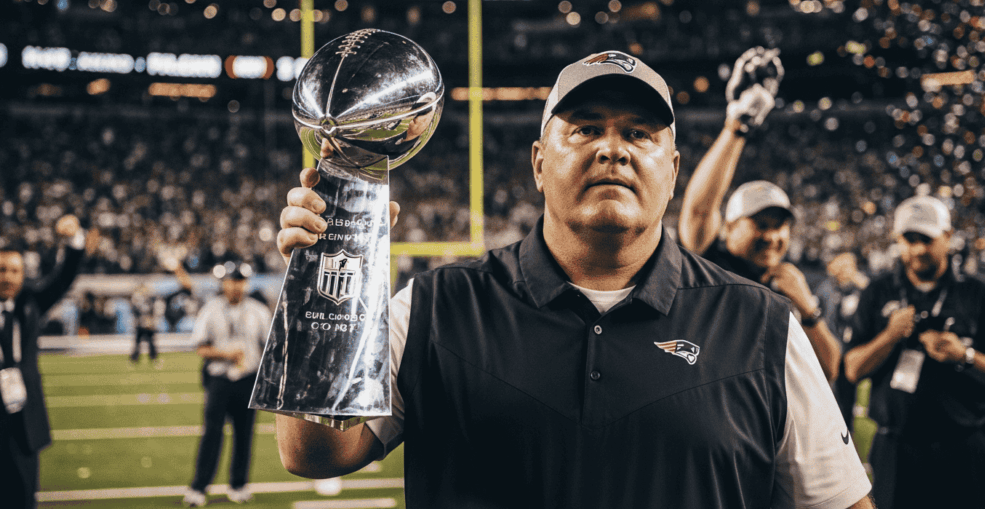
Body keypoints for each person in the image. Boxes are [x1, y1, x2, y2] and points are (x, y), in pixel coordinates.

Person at [273, 50, 873, 508]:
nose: (614, 149)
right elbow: (312, 453)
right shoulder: (437, 304)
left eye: (639, 133)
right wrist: (324, 277)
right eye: (585, 128)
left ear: (672, 172)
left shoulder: (762, 324)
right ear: (539, 162)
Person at [677, 47, 841, 383]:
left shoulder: (790, 284)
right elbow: (699, 209)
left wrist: (808, 309)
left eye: (780, 227)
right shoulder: (708, 265)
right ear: (729, 228)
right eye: (760, 225)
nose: (772, 237)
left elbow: (831, 370)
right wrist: (737, 127)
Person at [844, 195, 985, 509]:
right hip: (897, 450)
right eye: (910, 240)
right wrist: (889, 336)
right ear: (897, 240)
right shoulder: (878, 292)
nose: (919, 249)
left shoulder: (977, 292)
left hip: (965, 448)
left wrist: (965, 356)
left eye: (927, 239)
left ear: (947, 237)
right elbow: (852, 368)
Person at [0, 215, 89, 509]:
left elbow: (63, 278)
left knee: (24, 498)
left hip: (23, 421)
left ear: (23, 275)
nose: (7, 277)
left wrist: (74, 239)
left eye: (14, 271)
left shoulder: (31, 302)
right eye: (1, 270)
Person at [183, 261, 271, 507]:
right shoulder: (211, 309)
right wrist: (226, 355)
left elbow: (269, 348)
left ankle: (238, 484)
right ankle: (199, 487)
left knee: (244, 435)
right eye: (231, 281)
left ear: (246, 283)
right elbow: (201, 348)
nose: (235, 286)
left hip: (248, 379)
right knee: (212, 434)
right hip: (219, 379)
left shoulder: (258, 311)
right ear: (223, 283)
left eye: (240, 281)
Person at [815, 252, 871, 432]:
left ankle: (845, 433)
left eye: (850, 266)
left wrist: (861, 283)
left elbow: (873, 300)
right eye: (843, 266)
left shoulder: (860, 288)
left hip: (849, 349)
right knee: (826, 393)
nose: (846, 270)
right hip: (830, 345)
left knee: (847, 396)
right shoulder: (826, 288)